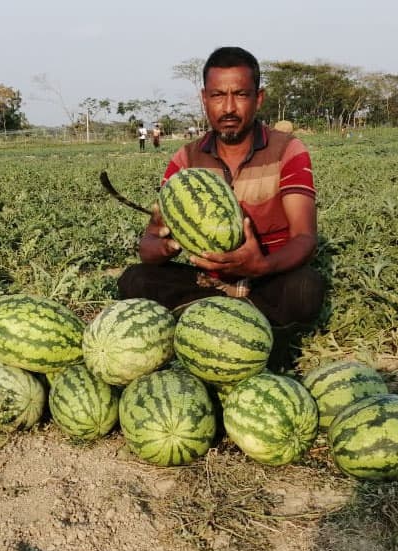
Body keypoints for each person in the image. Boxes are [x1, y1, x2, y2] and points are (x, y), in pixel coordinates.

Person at [118, 46, 324, 372]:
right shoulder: (184, 160)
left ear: (259, 98)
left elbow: (304, 238)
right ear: (204, 98)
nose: (228, 107)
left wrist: (262, 266)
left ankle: (216, 332)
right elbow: (149, 245)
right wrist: (169, 245)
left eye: (240, 94)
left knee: (304, 287)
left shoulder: (288, 150)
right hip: (203, 283)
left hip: (266, 283)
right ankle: (232, 328)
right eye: (217, 95)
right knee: (135, 280)